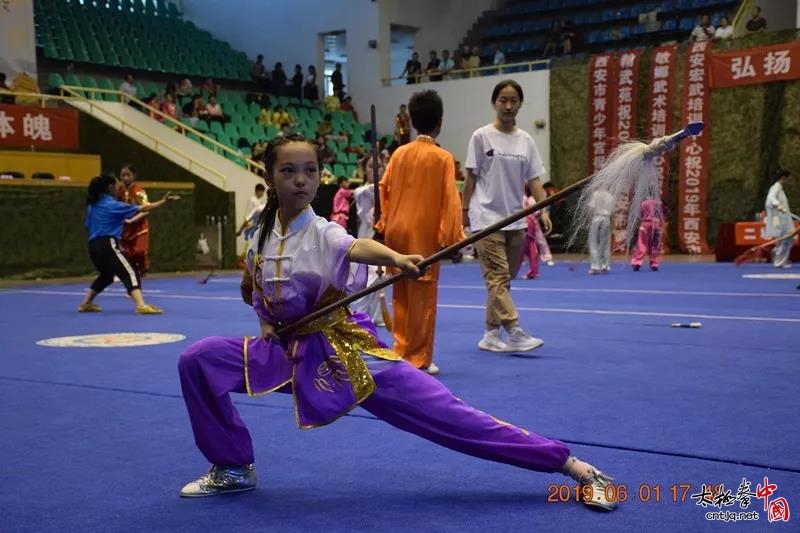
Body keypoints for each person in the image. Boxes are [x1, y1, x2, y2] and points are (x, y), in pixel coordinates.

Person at [175, 135, 616, 512]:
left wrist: (396, 258)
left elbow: (354, 246)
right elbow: (258, 285)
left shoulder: (322, 231)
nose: (301, 179)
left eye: (310, 170)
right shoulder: (263, 234)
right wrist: (266, 323)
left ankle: (570, 465)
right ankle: (233, 466)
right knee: (199, 359)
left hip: (342, 353)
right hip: (286, 351)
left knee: (447, 414)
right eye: (289, 170)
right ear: (270, 175)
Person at [375, 90, 463, 375]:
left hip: (396, 231)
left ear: (412, 122)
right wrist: (453, 238)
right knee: (423, 294)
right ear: (440, 123)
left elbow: (383, 187)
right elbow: (450, 200)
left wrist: (384, 223)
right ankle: (418, 356)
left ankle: (400, 348)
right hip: (421, 235)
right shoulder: (443, 158)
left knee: (401, 292)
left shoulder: (400, 153)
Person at [462, 80, 551, 354]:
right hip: (486, 218)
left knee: (503, 279)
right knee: (497, 277)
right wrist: (464, 212)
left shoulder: (526, 140)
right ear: (494, 102)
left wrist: (543, 209)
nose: (509, 105)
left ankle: (490, 334)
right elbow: (470, 178)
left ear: (520, 104)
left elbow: (535, 181)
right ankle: (513, 331)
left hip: (516, 219)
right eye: (503, 100)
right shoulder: (481, 136)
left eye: (513, 100)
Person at [79, 174, 179, 314]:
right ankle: (141, 305)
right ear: (110, 187)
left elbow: (87, 225)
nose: (119, 186)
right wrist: (163, 201)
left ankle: (86, 303)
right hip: (108, 243)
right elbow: (143, 208)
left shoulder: (92, 205)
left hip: (93, 245)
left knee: (107, 275)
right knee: (129, 272)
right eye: (116, 184)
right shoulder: (113, 205)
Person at [116, 164, 152, 283]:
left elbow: (146, 210)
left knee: (139, 252)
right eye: (123, 175)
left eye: (128, 175)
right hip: (125, 229)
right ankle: (134, 283)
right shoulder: (118, 191)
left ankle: (144, 267)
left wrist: (132, 220)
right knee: (128, 255)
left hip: (140, 228)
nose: (125, 178)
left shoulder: (139, 191)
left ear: (134, 176)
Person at [764, 169, 793, 268]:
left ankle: (778, 255)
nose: (790, 180)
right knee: (786, 238)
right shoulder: (776, 188)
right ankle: (779, 261)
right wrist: (778, 205)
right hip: (779, 218)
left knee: (787, 239)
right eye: (788, 178)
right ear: (783, 177)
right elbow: (770, 199)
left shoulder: (779, 188)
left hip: (782, 218)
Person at [630, 197, 665, 271]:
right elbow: (662, 214)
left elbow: (640, 214)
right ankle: (654, 263)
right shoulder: (659, 203)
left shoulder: (643, 203)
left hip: (645, 224)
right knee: (655, 244)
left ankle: (637, 263)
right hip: (656, 224)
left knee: (642, 243)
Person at [588, 189, 614, 274]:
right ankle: (604, 265)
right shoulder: (610, 196)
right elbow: (612, 212)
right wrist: (612, 224)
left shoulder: (595, 194)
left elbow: (591, 209)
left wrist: (589, 220)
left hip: (596, 218)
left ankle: (595, 266)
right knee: (605, 243)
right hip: (606, 219)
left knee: (594, 242)